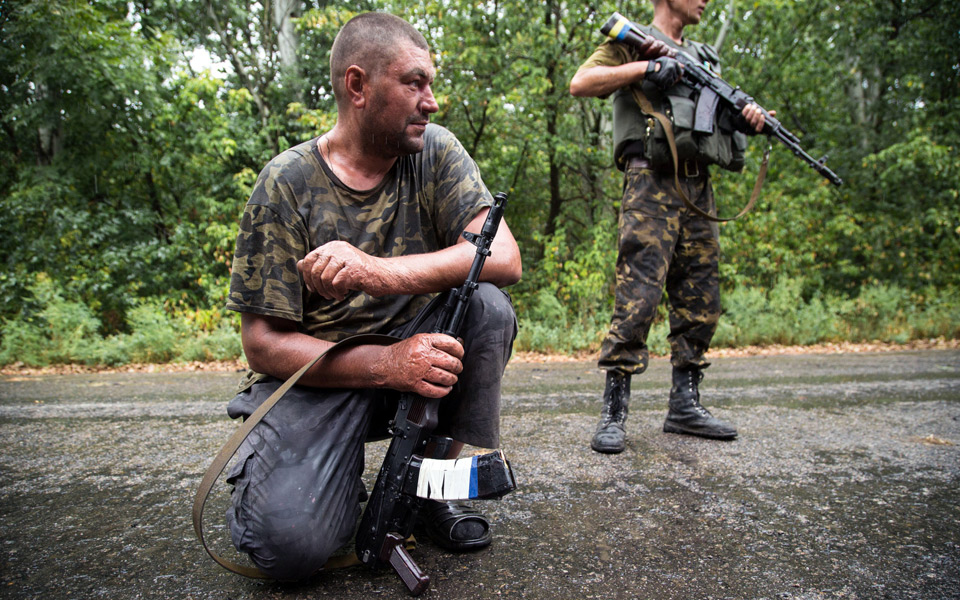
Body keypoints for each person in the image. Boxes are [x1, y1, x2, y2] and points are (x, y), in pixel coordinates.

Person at [223, 12, 522, 580]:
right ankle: (326, 483)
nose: (430, 101)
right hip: (327, 377)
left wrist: (378, 273)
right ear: (357, 86)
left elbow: (502, 256)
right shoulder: (286, 183)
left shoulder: (434, 152)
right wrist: (385, 364)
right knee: (291, 549)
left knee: (485, 304)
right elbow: (262, 345)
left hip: (420, 368)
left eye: (430, 83)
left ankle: (432, 486)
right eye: (414, 83)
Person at [569, 0, 770, 453]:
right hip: (650, 180)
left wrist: (747, 118)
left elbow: (712, 120)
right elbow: (581, 83)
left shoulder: (704, 57)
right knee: (638, 293)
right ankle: (614, 411)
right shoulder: (631, 40)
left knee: (702, 294)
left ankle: (685, 405)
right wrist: (645, 67)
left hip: (698, 185)